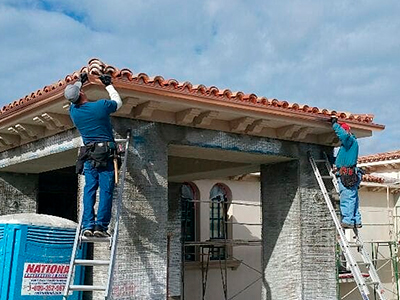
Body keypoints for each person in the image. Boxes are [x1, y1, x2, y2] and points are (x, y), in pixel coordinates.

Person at [64, 73, 122, 237]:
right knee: (106, 191)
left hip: (89, 156)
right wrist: (108, 85)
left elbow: (75, 96)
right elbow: (118, 102)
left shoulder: (73, 112)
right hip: (105, 156)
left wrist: (79, 83)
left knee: (89, 189)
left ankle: (88, 225)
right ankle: (101, 227)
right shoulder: (100, 106)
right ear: (82, 93)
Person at [330, 115, 362, 229]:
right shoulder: (347, 147)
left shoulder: (349, 141)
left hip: (347, 175)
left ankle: (347, 221)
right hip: (351, 174)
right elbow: (341, 160)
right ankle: (356, 220)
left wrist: (334, 124)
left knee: (347, 198)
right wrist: (331, 159)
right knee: (353, 199)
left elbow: (343, 135)